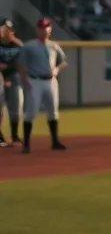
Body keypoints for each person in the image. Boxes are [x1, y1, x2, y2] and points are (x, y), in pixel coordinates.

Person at [17, 17, 68, 153]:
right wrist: (24, 80)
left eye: (47, 28)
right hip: (34, 80)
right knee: (31, 112)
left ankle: (55, 141)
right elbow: (21, 64)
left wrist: (57, 69)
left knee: (53, 111)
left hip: (50, 81)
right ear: (37, 30)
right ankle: (26, 145)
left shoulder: (54, 46)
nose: (44, 31)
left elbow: (63, 61)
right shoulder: (29, 46)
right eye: (42, 28)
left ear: (50, 30)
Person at [0, 18, 23, 146]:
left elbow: (22, 63)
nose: (6, 31)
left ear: (13, 31)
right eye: (4, 28)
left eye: (8, 29)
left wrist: (7, 67)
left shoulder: (18, 45)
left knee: (15, 107)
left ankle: (14, 136)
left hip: (14, 77)